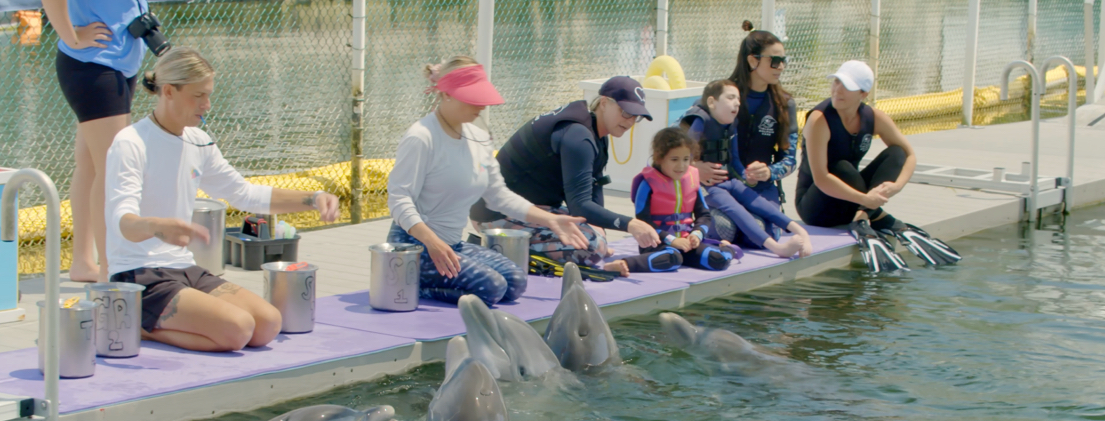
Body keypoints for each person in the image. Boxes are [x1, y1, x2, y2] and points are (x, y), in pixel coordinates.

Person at [104, 48, 342, 352]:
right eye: (199, 96)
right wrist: (158, 226)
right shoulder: (131, 143)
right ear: (168, 92)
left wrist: (313, 197)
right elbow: (122, 222)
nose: (207, 105)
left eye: (209, 95)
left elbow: (244, 193)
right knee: (238, 329)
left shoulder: (198, 141)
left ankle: (152, 324)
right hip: (139, 275)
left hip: (184, 269)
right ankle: (134, 325)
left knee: (268, 323)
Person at [387, 56, 590, 307]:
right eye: (472, 98)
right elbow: (398, 198)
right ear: (447, 94)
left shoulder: (478, 138)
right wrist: (432, 242)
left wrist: (551, 219)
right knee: (491, 288)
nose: (481, 106)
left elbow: (499, 196)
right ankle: (411, 285)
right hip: (416, 247)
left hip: (452, 245)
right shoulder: (422, 137)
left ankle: (431, 281)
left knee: (515, 281)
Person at [469, 76, 662, 276]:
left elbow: (594, 188)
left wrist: (600, 232)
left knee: (594, 238)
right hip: (494, 213)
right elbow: (579, 205)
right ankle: (496, 249)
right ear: (604, 103)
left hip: (531, 208)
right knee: (590, 247)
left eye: (636, 116)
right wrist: (630, 224)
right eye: (626, 112)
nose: (630, 121)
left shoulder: (596, 133)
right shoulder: (578, 136)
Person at [795, 60, 960, 271]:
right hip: (816, 207)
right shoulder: (819, 119)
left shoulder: (873, 117)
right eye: (836, 82)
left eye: (847, 86)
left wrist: (897, 186)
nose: (837, 90)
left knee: (896, 153)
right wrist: (867, 199)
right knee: (842, 167)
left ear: (863, 94)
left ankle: (863, 215)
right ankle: (876, 215)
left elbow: (909, 155)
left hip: (851, 199)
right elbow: (821, 178)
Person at [44, 0, 152, 282]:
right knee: (112, 169)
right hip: (94, 64)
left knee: (92, 166)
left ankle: (83, 261)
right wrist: (72, 36)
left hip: (117, 63)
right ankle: (110, 268)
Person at [679, 79, 811, 258]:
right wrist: (694, 167)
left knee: (757, 201)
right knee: (736, 209)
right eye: (731, 98)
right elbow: (681, 155)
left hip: (729, 181)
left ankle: (802, 233)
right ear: (712, 102)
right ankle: (778, 249)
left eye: (739, 100)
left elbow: (734, 160)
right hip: (709, 187)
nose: (737, 103)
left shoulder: (731, 125)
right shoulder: (700, 122)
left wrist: (745, 176)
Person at [693, 23, 798, 209]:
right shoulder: (720, 95)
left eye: (784, 60)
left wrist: (769, 172)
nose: (781, 67)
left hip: (761, 188)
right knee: (725, 229)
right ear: (752, 61)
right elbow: (674, 141)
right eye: (774, 60)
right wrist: (694, 167)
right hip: (720, 186)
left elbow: (789, 160)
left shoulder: (784, 104)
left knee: (760, 231)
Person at [619, 128, 740, 273]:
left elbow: (704, 216)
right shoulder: (647, 184)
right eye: (674, 159)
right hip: (656, 243)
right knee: (673, 258)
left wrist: (696, 234)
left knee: (718, 259)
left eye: (686, 159)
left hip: (687, 243)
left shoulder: (692, 181)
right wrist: (672, 240)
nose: (681, 166)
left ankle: (727, 247)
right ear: (659, 158)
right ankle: (625, 264)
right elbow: (643, 223)